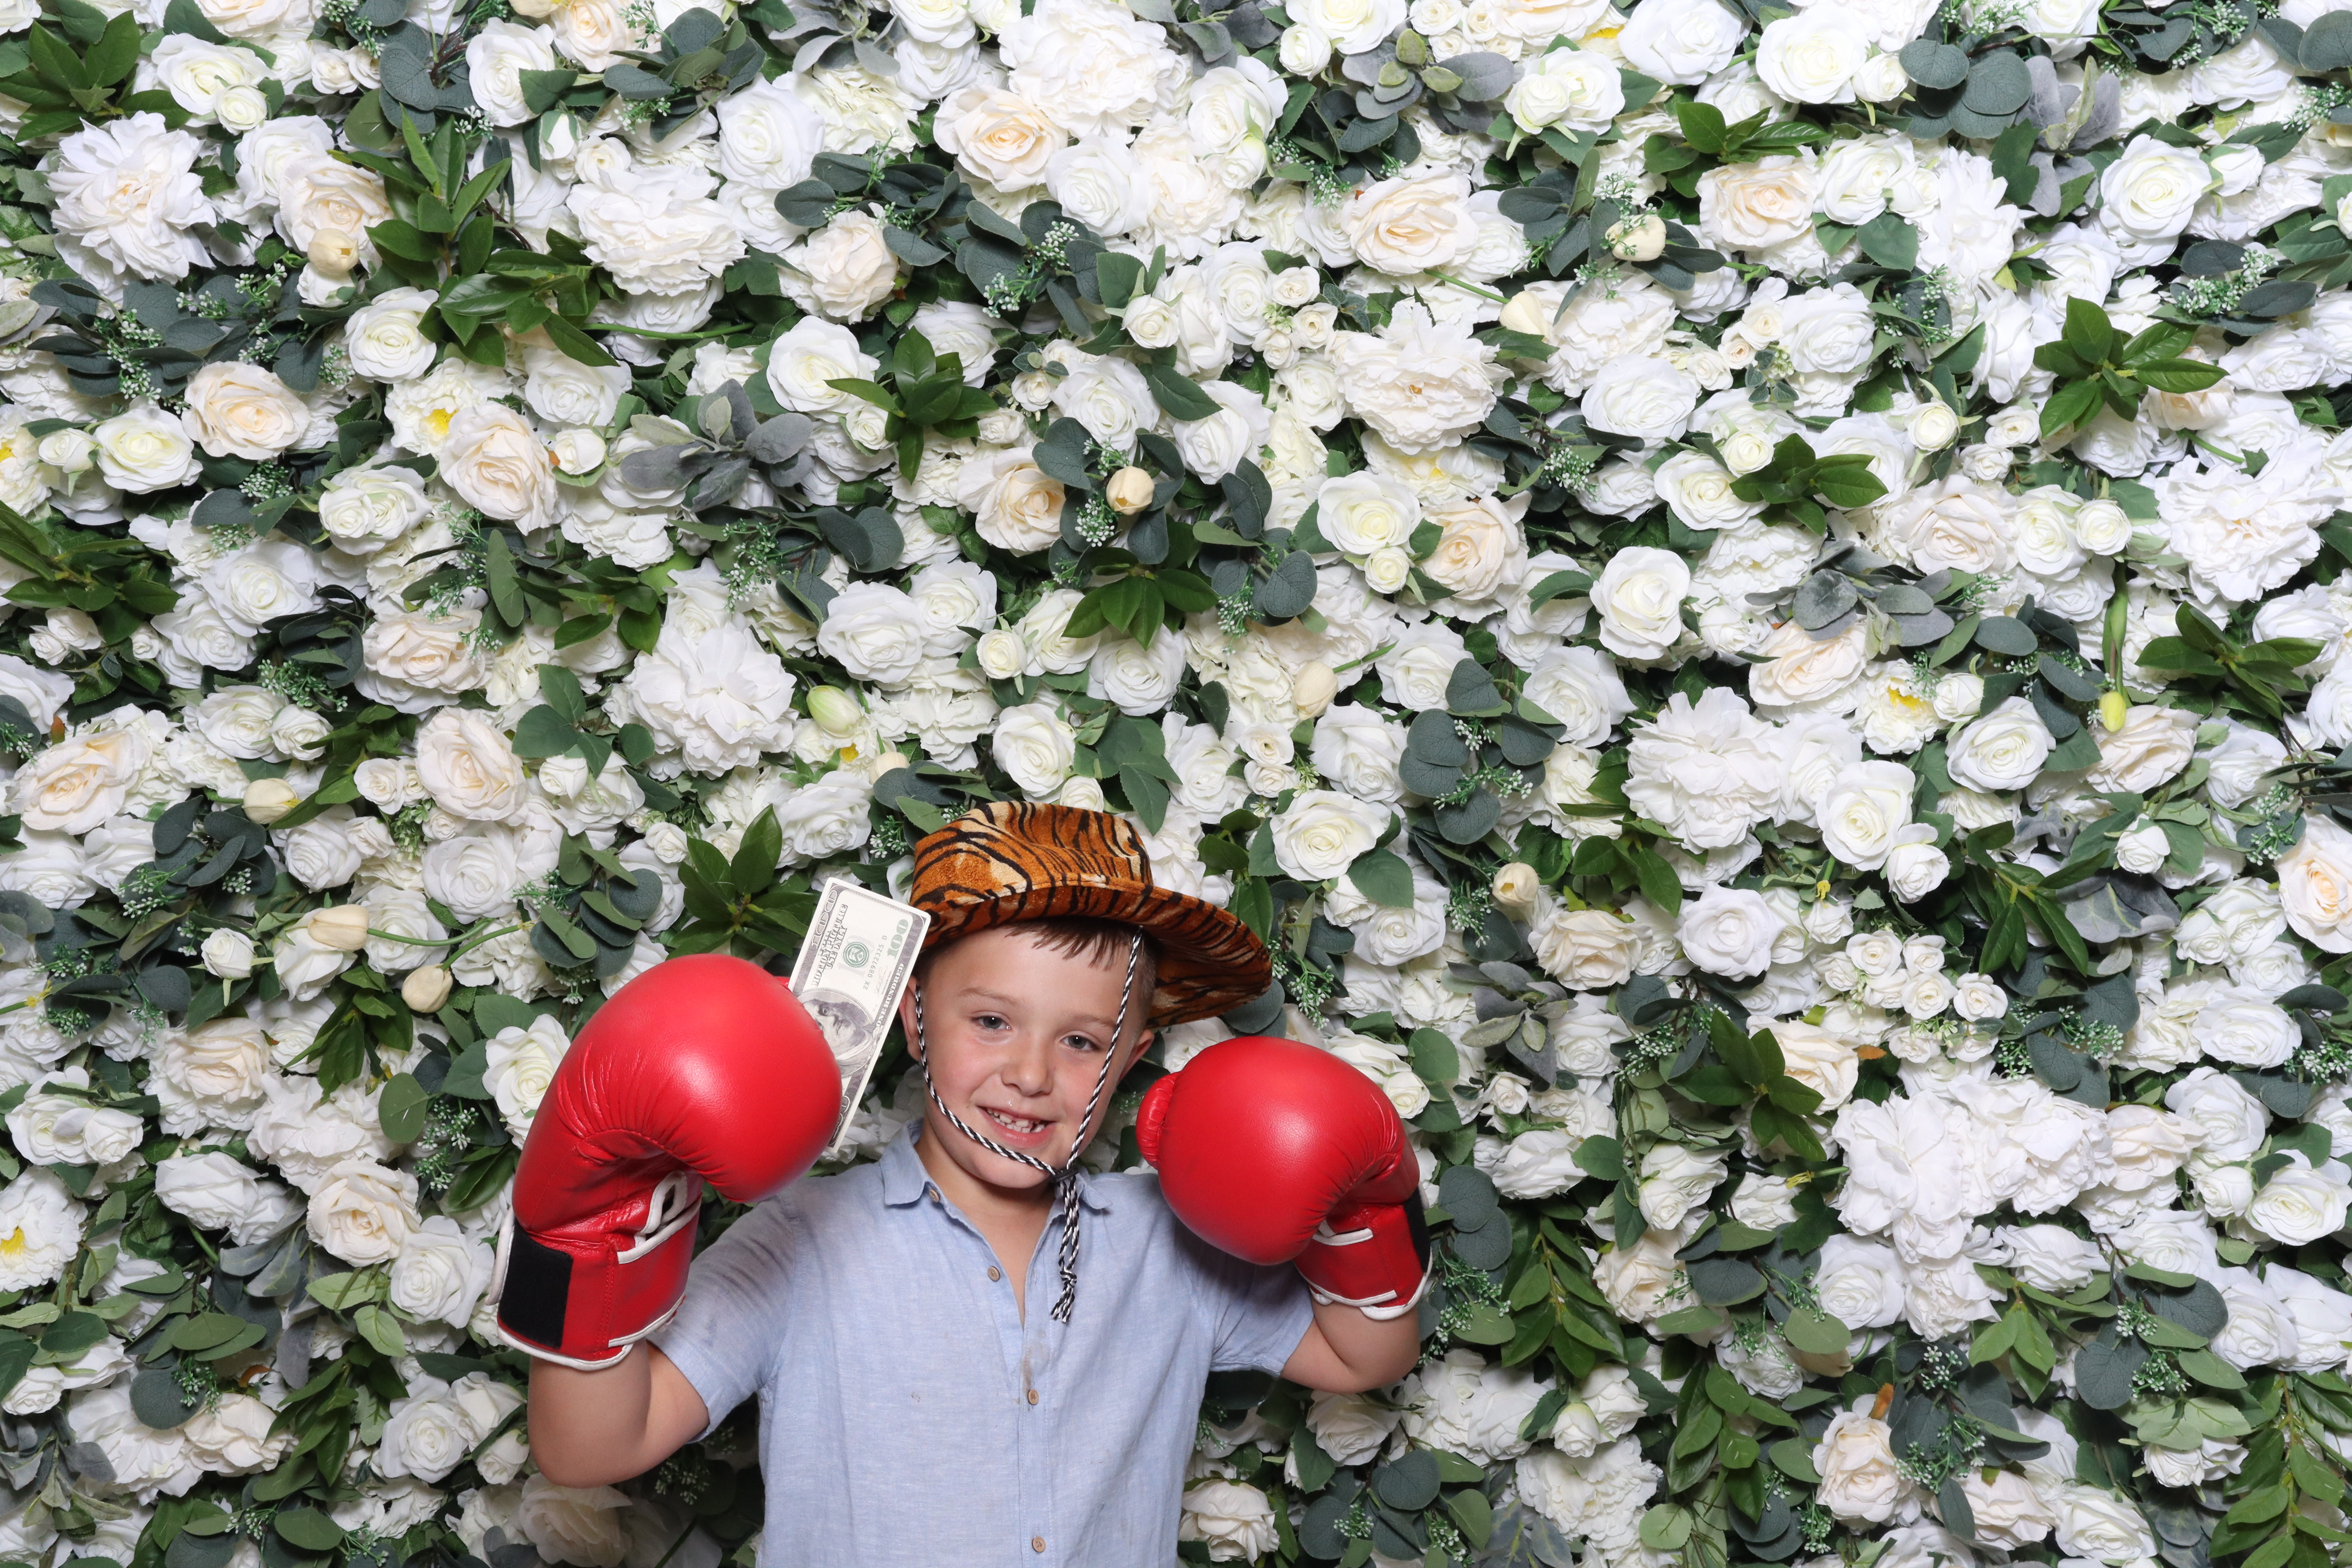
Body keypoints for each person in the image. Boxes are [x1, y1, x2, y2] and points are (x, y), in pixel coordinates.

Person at [495, 801, 1430, 1565]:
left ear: (1134, 1058)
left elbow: (1367, 1358)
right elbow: (589, 1450)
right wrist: (593, 1229)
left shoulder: (1167, 1244)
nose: (1031, 1073)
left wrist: (1364, 1205)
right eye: (990, 1020)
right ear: (914, 1018)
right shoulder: (803, 1238)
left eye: (1080, 1042)